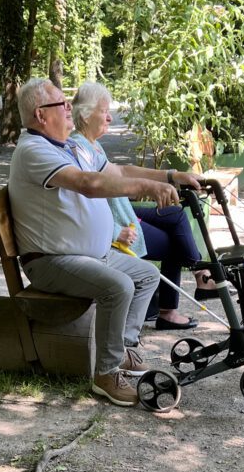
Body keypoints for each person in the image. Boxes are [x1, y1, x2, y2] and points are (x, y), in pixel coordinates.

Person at [8, 78, 194, 407]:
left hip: (85, 255)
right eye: (61, 104)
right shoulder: (34, 150)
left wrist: (169, 176)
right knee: (119, 286)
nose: (69, 109)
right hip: (51, 260)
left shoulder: (64, 146)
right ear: (40, 114)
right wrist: (147, 190)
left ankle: (121, 350)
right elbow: (89, 184)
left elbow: (116, 171)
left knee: (146, 275)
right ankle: (105, 375)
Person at [70, 82, 219, 331]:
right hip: (116, 223)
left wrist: (173, 175)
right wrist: (116, 231)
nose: (109, 117)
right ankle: (191, 285)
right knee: (174, 243)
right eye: (103, 111)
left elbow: (122, 171)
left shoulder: (91, 145)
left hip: (122, 213)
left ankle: (198, 275)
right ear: (85, 114)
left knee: (175, 214)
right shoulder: (79, 148)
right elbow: (86, 198)